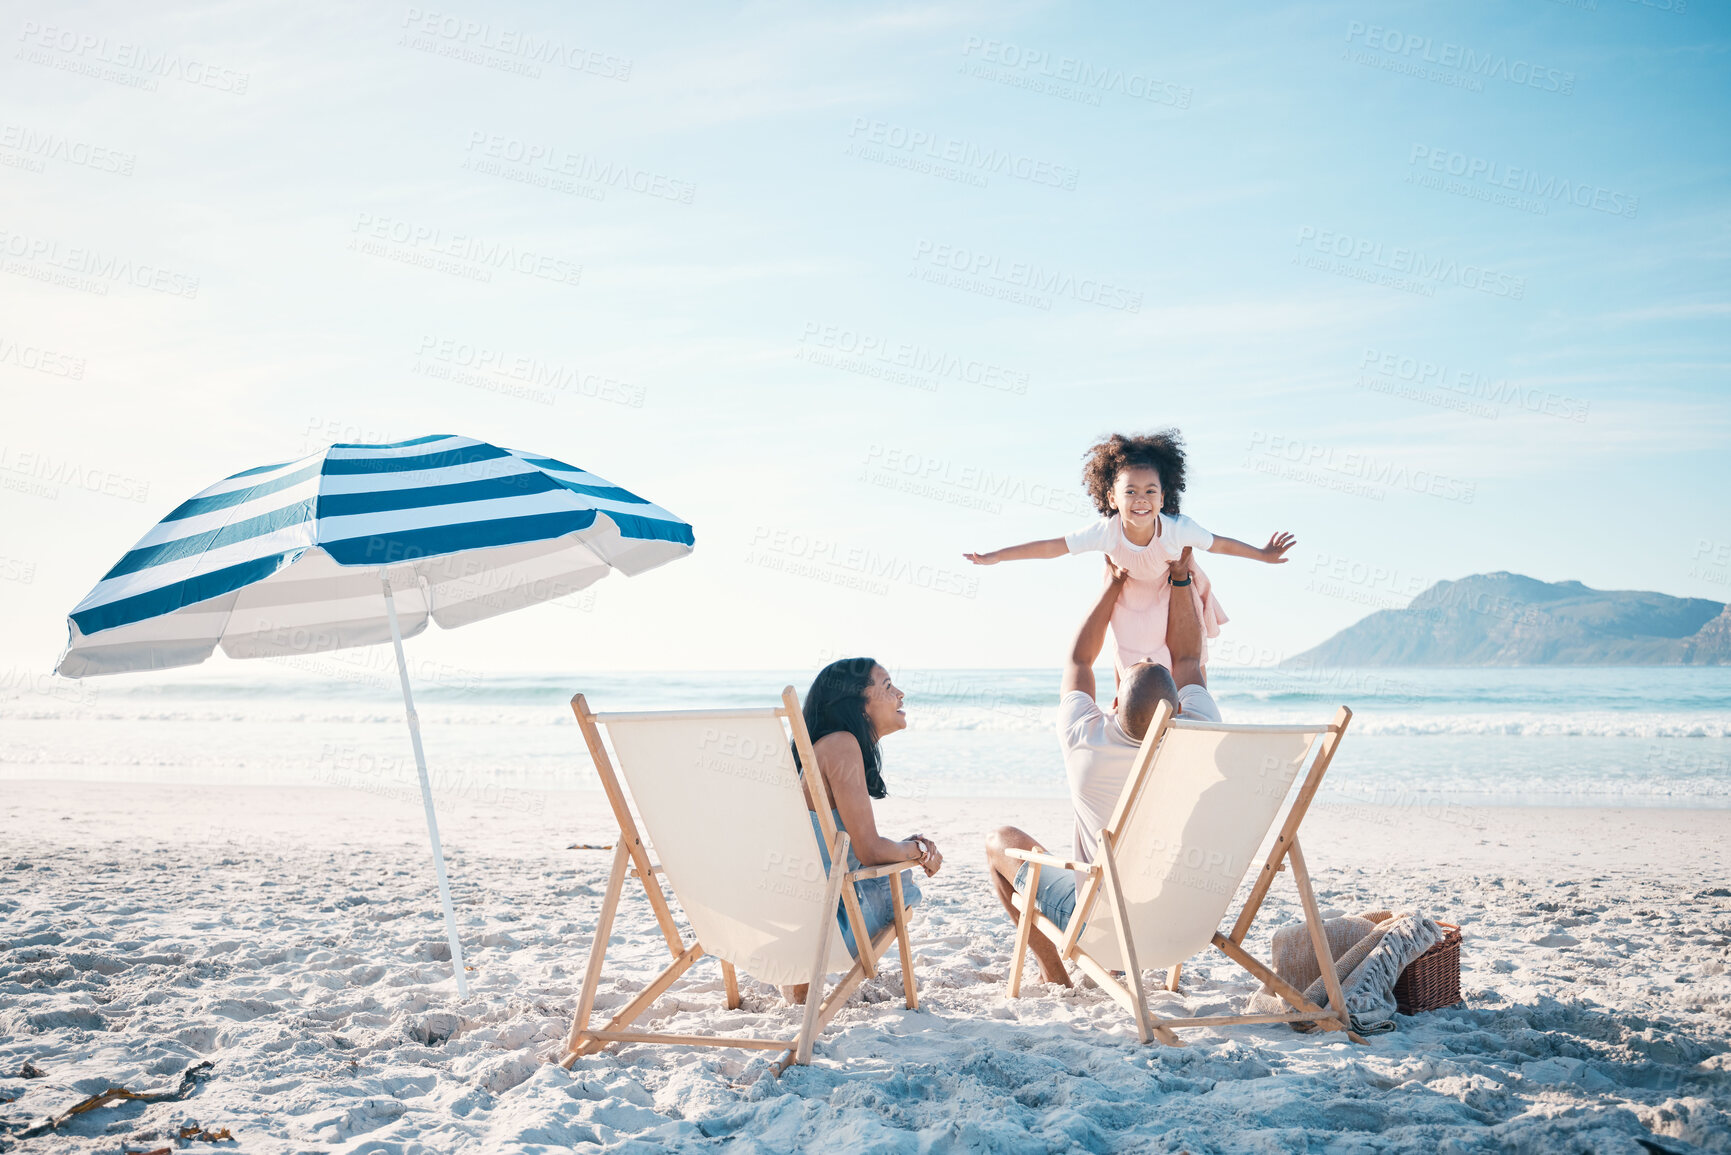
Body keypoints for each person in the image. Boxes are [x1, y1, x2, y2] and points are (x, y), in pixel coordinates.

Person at [981, 545, 1220, 986]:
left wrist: (1112, 584)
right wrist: (1182, 578)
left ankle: (1054, 973)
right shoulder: (1201, 731)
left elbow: (1078, 661)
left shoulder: (1085, 740)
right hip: (1182, 923)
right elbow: (1188, 659)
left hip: (1104, 929)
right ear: (1179, 709)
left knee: (1000, 842)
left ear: (1112, 705)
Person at [963, 429, 1294, 677]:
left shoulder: (1179, 528)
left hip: (1173, 590)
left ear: (1163, 498)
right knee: (1129, 659)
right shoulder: (1106, 532)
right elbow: (1053, 547)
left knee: (1188, 661)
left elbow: (1220, 543)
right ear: (1111, 498)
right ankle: (1125, 711)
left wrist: (1262, 555)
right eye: (1131, 491)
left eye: (1150, 491)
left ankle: (1194, 711)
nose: (1141, 499)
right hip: (1130, 595)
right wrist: (998, 555)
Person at [786, 657, 943, 1004]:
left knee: (893, 868)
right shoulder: (841, 745)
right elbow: (870, 851)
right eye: (887, 686)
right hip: (824, 929)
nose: (900, 694)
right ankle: (800, 980)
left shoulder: (822, 750)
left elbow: (858, 848)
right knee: (899, 882)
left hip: (786, 918)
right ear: (857, 704)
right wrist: (918, 852)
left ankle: (797, 982)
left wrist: (907, 847)